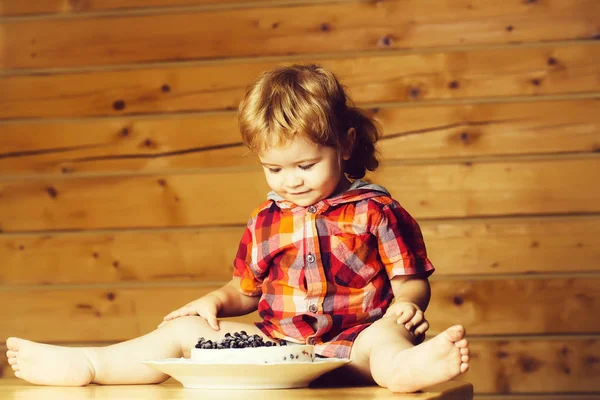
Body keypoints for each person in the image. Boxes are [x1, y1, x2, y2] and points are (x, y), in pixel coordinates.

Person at [5, 64, 469, 393]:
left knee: (385, 340)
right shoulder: (267, 219)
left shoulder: (376, 211)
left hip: (356, 346)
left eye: (306, 164)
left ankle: (405, 371)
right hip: (279, 355)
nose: (291, 181)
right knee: (186, 331)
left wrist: (404, 310)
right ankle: (91, 363)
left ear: (345, 145)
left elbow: (410, 283)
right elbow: (246, 290)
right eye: (274, 169)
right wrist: (213, 302)